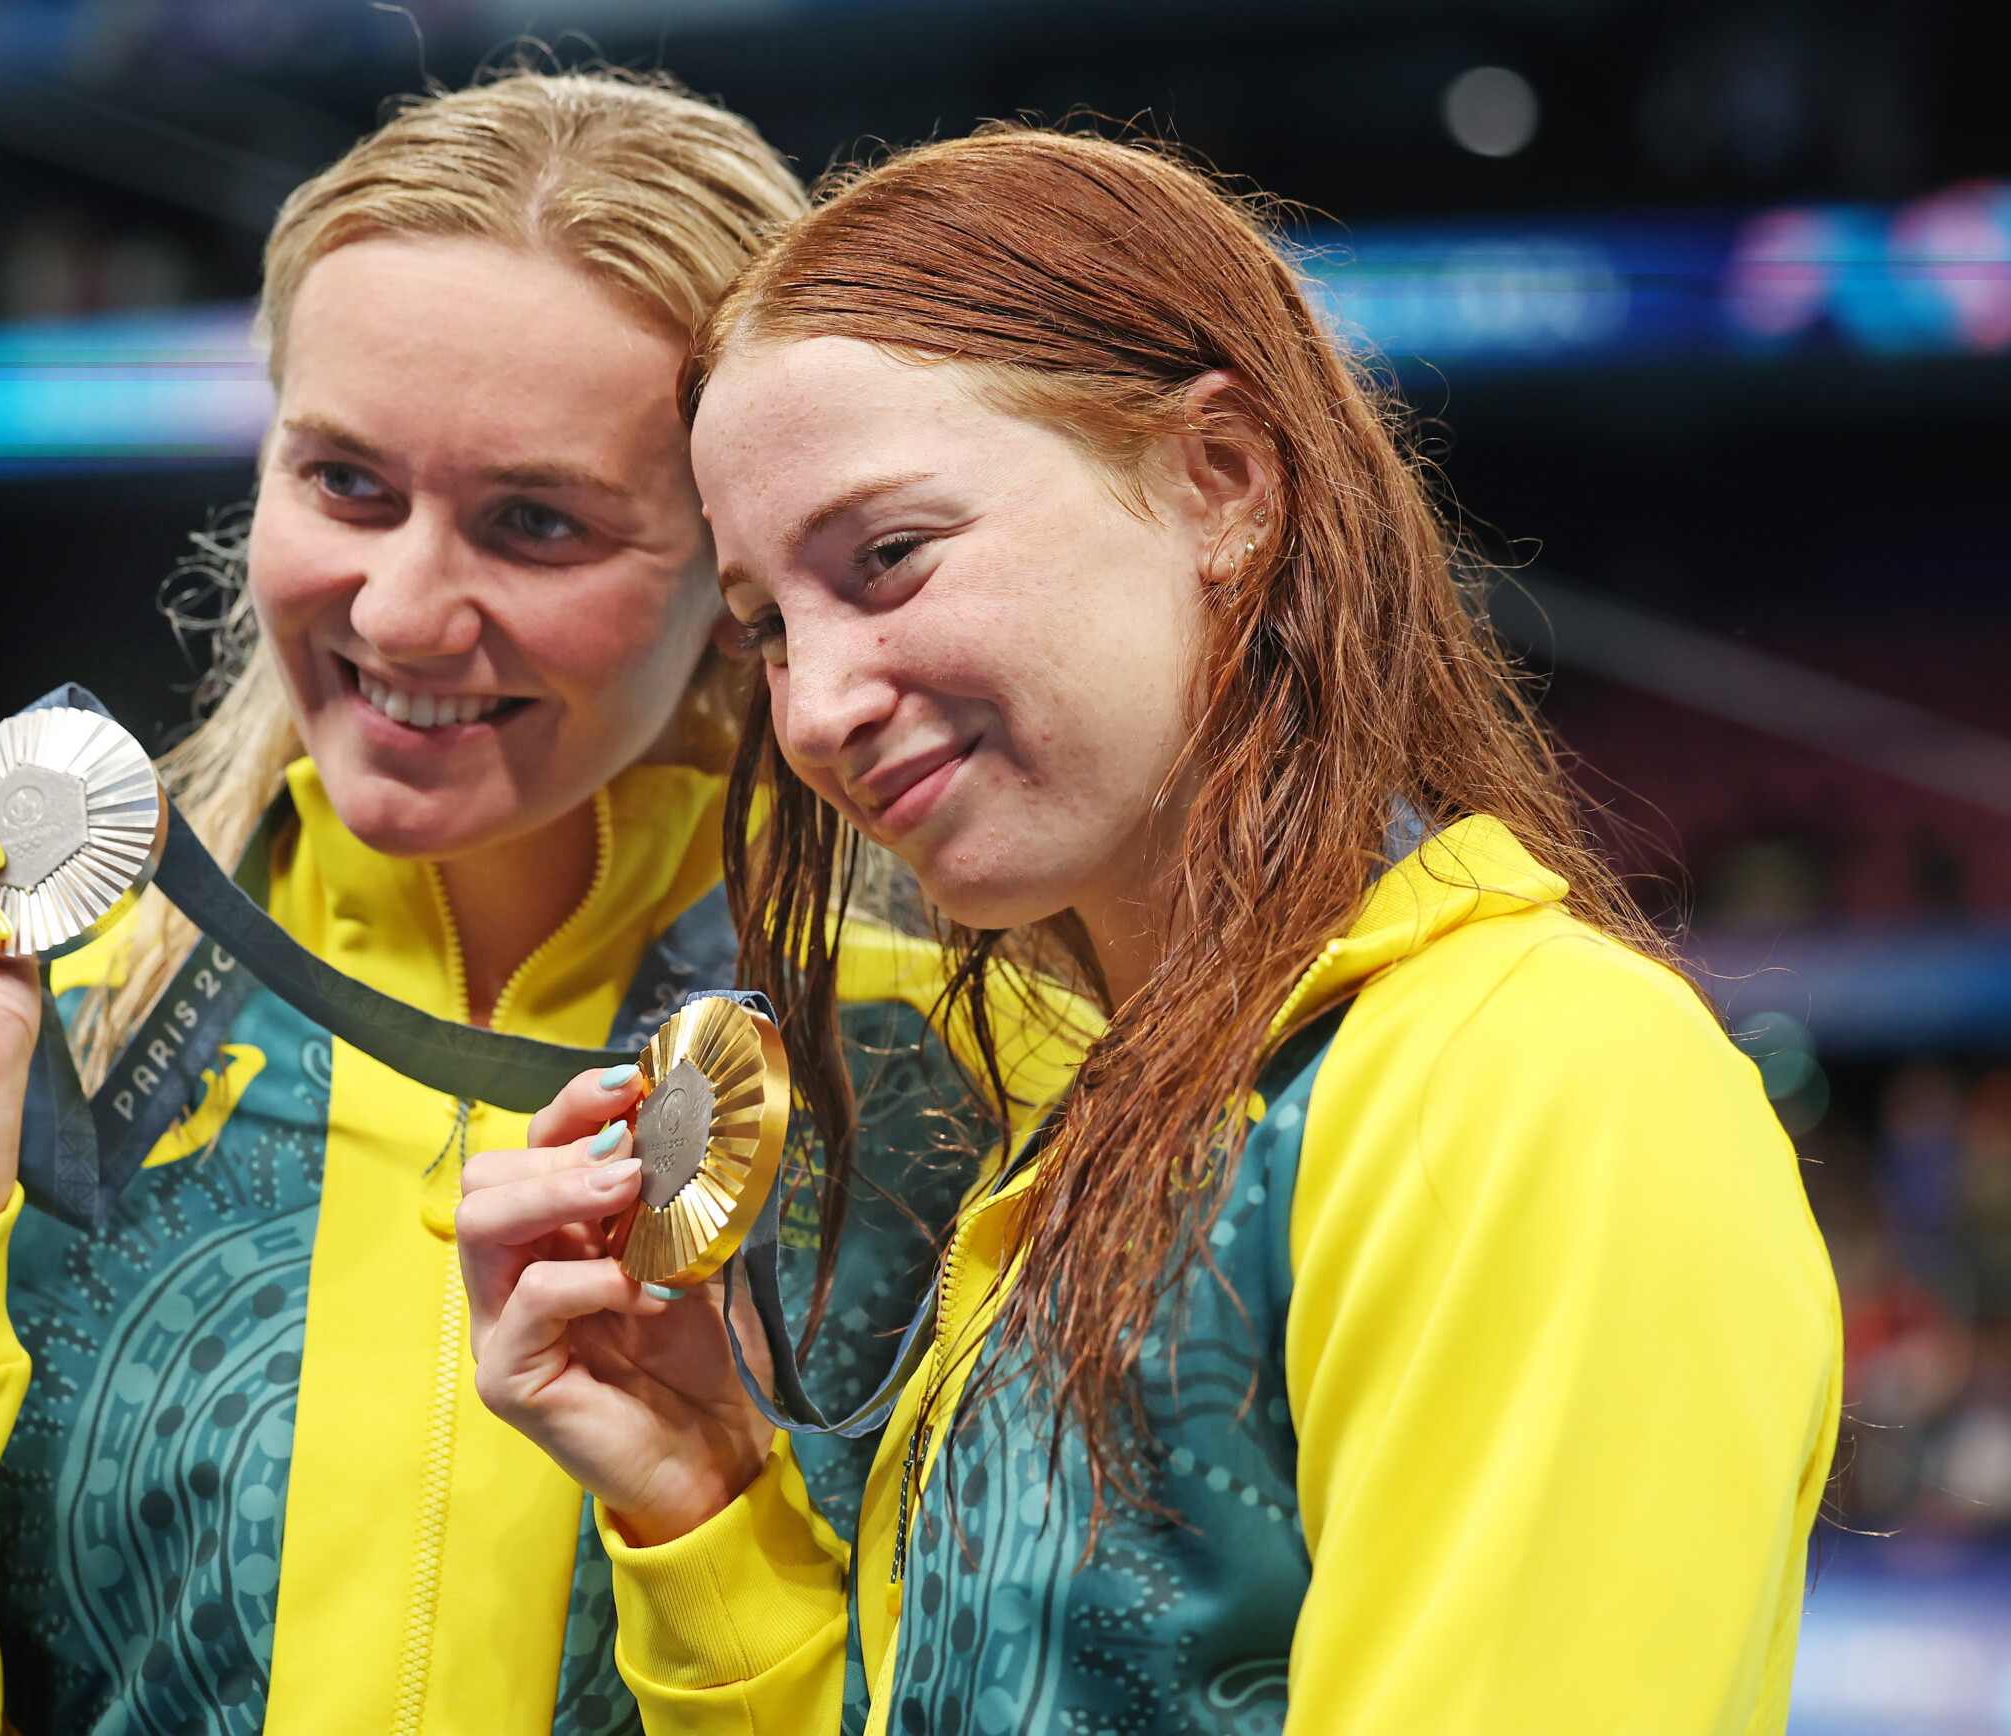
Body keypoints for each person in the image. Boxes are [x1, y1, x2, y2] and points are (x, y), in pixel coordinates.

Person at [0, 75, 1087, 1736]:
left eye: (535, 523)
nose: (402, 609)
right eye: (344, 484)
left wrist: (704, 1540)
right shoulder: (36, 1007)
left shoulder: (973, 1066)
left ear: (729, 567)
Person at [459, 128, 1842, 1735]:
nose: (818, 707)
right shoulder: (1096, 1130)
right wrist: (699, 1497)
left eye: (890, 557)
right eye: (769, 627)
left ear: (1224, 485)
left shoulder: (1534, 1082)